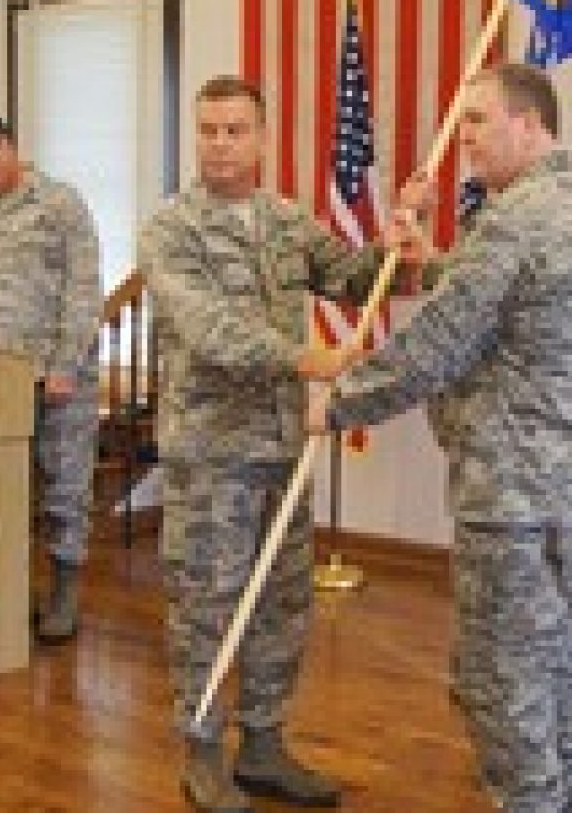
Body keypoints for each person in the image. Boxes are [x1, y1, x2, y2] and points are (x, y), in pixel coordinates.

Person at [309, 63, 572, 813]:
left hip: (514, 500)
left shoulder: (513, 220)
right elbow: (521, 298)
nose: (464, 141)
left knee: (502, 684)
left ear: (528, 123)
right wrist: (437, 265)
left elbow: (437, 347)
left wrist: (337, 404)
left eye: (478, 121)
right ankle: (565, 798)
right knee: (563, 667)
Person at [138, 75, 406, 813]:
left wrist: (398, 248)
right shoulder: (171, 229)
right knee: (206, 607)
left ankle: (262, 746)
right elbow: (204, 327)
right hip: (210, 457)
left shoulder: (286, 221)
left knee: (282, 605)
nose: (220, 144)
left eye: (235, 130)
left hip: (283, 449)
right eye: (208, 130)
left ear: (261, 137)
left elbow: (353, 278)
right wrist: (301, 359)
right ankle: (201, 752)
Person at [0, 113, 101, 644]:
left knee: (65, 487)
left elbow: (85, 291)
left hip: (59, 379)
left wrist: (64, 366)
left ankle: (64, 594)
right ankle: (11, 592)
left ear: (8, 147)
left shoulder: (59, 203)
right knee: (5, 492)